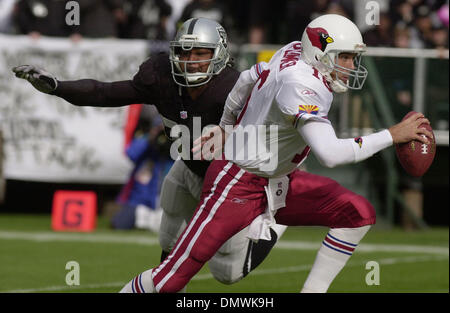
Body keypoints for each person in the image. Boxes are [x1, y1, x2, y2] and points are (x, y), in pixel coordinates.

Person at [117, 14, 432, 293]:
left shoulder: (296, 50)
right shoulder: (301, 85)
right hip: (237, 182)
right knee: (170, 278)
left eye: (352, 58)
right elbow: (331, 155)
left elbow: (248, 77)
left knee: (358, 214)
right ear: (321, 54)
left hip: (278, 178)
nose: (350, 67)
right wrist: (391, 135)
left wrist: (226, 125)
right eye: (345, 57)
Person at [12, 17, 287, 287]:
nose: (191, 61)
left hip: (228, 181)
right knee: (169, 239)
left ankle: (278, 224)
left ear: (220, 55)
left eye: (201, 53)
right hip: (189, 166)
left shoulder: (235, 90)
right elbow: (105, 93)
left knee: (226, 272)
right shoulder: (161, 77)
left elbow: (273, 137)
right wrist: (59, 87)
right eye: (183, 52)